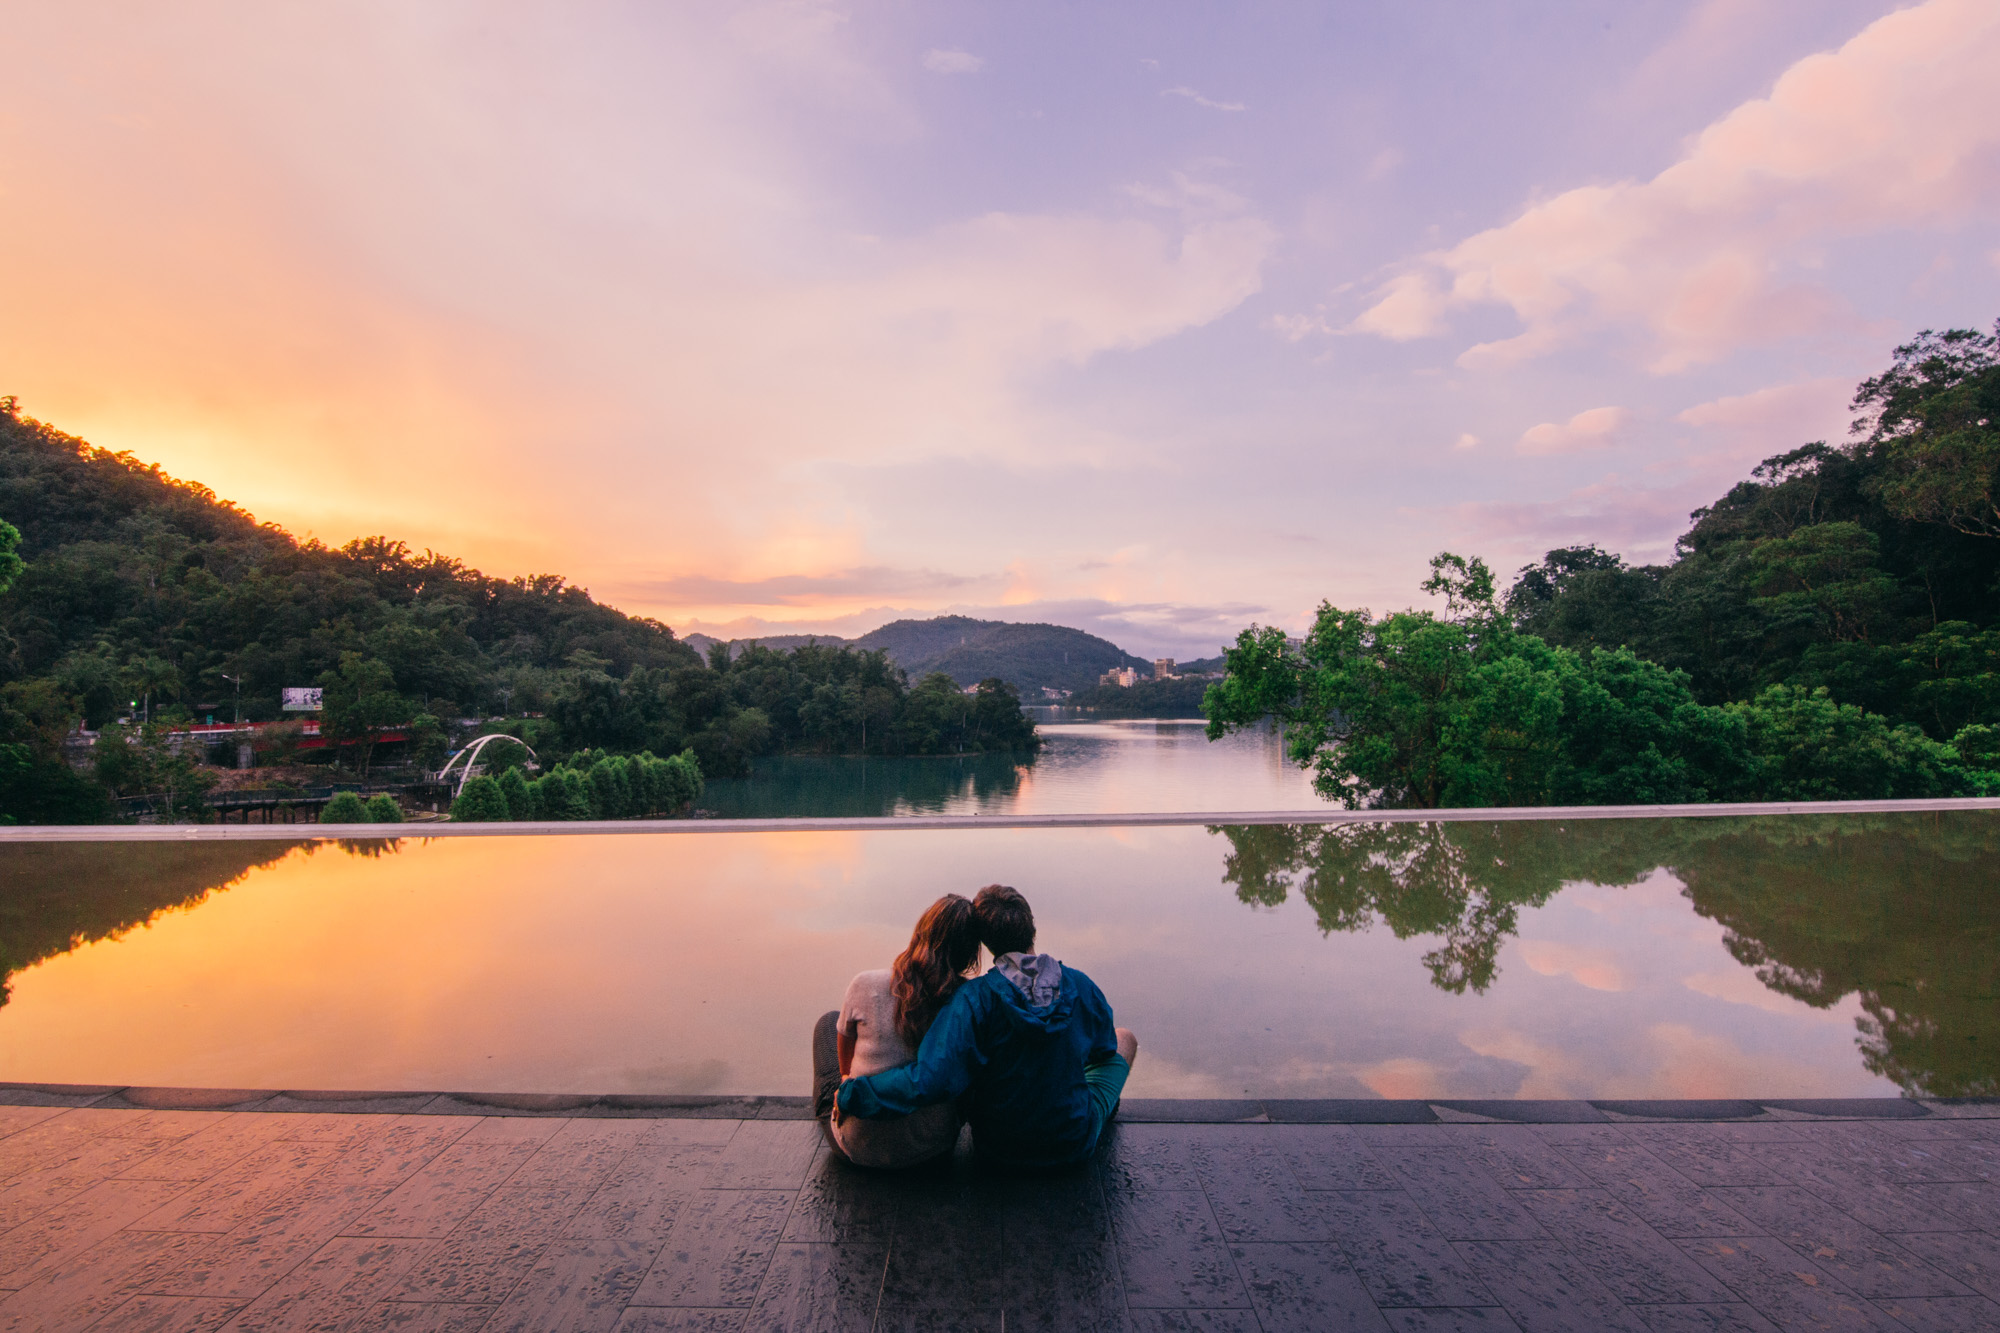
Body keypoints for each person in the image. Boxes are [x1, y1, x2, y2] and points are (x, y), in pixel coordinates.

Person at [835, 884, 1139, 1170]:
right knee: (1124, 1039)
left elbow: (931, 1079)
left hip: (998, 1151)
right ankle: (1092, 1110)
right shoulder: (1081, 986)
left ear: (986, 943)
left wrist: (853, 1093)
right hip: (1072, 1145)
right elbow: (1104, 1050)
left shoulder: (973, 998)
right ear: (1031, 927)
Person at [812, 893, 980, 1168]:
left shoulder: (865, 983)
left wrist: (846, 1080)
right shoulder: (969, 999)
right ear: (969, 953)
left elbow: (844, 1044)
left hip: (859, 1149)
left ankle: (841, 1098)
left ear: (920, 934)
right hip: (934, 1148)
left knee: (827, 1024)